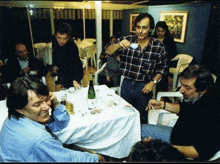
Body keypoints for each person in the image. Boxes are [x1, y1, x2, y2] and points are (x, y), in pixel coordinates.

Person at [0, 77, 105, 162]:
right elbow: (69, 159)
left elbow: (60, 124)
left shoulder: (15, 117)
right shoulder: (39, 139)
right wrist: (97, 158)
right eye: (37, 104)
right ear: (19, 108)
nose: (47, 107)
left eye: (46, 100)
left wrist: (56, 104)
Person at [141, 64, 220, 161]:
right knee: (139, 130)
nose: (181, 90)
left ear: (202, 89)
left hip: (183, 149)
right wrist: (162, 105)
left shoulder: (213, 114)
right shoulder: (197, 97)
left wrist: (161, 147)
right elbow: (185, 109)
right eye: (181, 84)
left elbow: (199, 151)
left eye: (187, 87)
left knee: (148, 151)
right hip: (176, 136)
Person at [105, 13, 168, 123]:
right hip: (127, 83)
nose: (140, 31)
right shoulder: (127, 39)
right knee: (125, 115)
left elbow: (163, 68)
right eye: (138, 27)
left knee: (142, 117)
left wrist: (153, 82)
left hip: (144, 86)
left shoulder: (157, 45)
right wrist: (119, 45)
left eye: (144, 27)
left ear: (150, 29)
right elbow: (107, 51)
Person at [52, 23, 83, 89]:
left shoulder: (72, 47)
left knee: (72, 88)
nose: (61, 41)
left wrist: (75, 79)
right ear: (55, 36)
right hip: (62, 68)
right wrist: (55, 64)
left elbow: (76, 64)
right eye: (59, 38)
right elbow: (54, 54)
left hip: (73, 69)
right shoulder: (54, 41)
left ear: (69, 37)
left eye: (64, 38)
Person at [152, 21, 178, 100]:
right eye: (158, 31)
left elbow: (173, 53)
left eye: (162, 31)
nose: (160, 33)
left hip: (164, 62)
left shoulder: (169, 40)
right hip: (152, 62)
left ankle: (163, 95)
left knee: (163, 73)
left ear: (165, 31)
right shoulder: (152, 39)